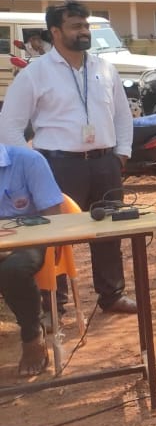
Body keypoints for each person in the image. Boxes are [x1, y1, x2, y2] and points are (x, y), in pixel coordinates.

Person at [0, 1, 136, 315]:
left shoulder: (104, 69)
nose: (84, 31)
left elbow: (122, 115)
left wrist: (121, 154)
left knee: (109, 232)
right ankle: (54, 303)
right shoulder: (35, 73)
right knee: (55, 237)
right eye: (76, 26)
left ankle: (112, 295)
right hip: (56, 166)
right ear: (56, 32)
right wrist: (31, 168)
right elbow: (9, 125)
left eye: (86, 25)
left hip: (104, 163)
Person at [0, 145, 64, 376]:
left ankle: (32, 337)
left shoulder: (28, 160)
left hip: (32, 238)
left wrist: (11, 247)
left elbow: (53, 215)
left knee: (13, 269)